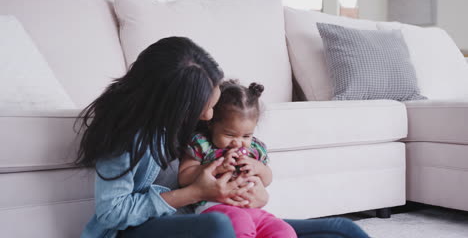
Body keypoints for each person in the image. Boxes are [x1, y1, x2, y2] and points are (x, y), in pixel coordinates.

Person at [76, 36, 370, 238]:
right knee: (219, 226)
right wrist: (195, 193)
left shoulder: (197, 123)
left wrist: (253, 194)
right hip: (143, 229)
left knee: (341, 230)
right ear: (174, 103)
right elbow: (111, 213)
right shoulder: (126, 135)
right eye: (204, 107)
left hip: (213, 216)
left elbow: (234, 172)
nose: (208, 116)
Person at [179, 79, 296, 238]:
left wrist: (258, 167)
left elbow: (267, 179)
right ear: (212, 124)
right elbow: (184, 177)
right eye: (229, 134)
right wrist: (216, 167)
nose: (238, 142)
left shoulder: (255, 148)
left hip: (252, 208)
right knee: (240, 224)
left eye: (246, 135)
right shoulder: (202, 144)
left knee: (284, 230)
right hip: (215, 208)